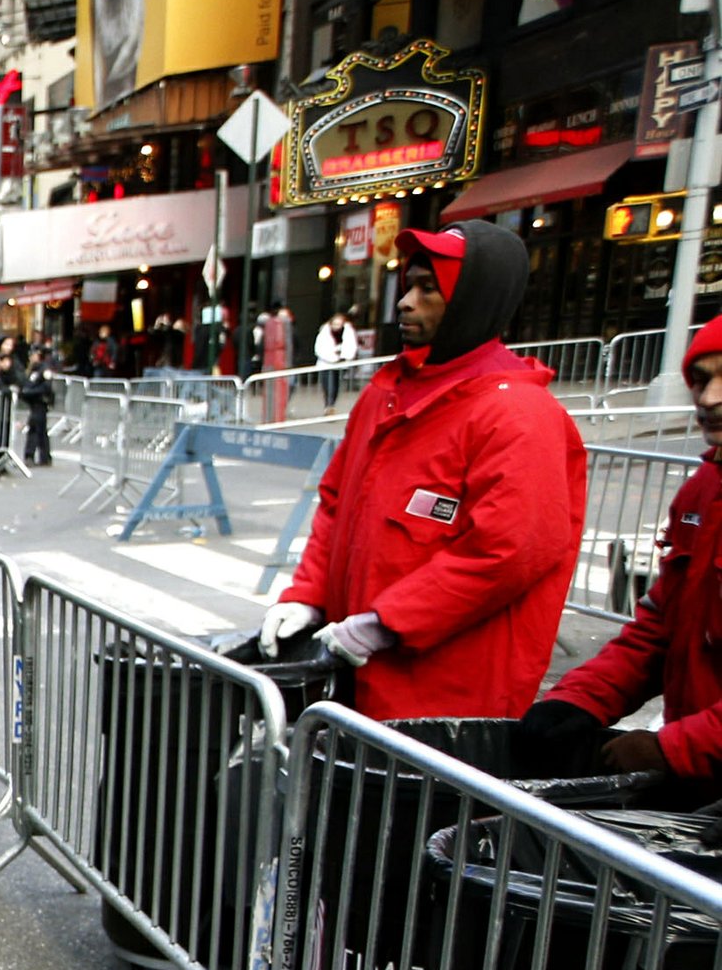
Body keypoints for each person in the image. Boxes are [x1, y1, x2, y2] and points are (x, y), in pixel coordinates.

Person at [260, 222, 585, 719]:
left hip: (445, 696)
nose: (405, 302)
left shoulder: (518, 414)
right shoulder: (385, 393)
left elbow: (507, 551)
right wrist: (308, 596)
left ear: (473, 300)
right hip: (358, 675)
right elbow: (335, 506)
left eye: (428, 289)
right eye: (409, 285)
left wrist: (388, 622)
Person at [516, 313, 721, 794]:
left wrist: (672, 748)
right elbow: (657, 630)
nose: (710, 399)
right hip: (698, 780)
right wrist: (577, 701)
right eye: (702, 379)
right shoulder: (701, 492)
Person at [314, 308, 360, 409]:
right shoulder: (324, 332)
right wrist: (332, 357)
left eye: (339, 324)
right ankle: (329, 405)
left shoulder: (348, 332)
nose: (336, 326)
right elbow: (319, 348)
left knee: (335, 386)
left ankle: (332, 404)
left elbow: (351, 346)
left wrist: (344, 356)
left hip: (340, 364)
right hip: (326, 364)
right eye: (335, 324)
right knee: (328, 385)